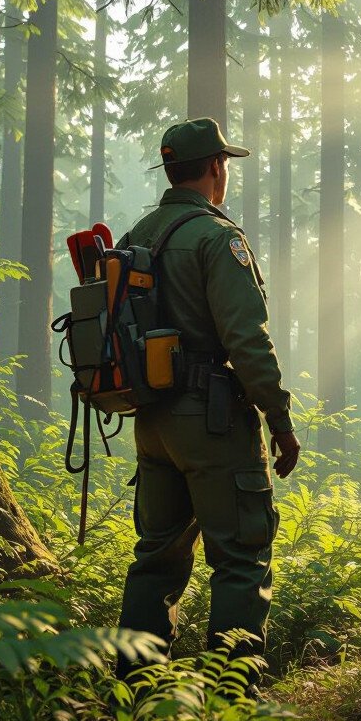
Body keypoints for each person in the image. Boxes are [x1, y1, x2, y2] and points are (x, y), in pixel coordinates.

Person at [114, 116, 301, 687]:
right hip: (213, 420)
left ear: (171, 169)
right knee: (240, 556)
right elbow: (246, 339)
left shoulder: (136, 236)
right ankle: (232, 701)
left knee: (156, 558)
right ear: (217, 168)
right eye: (225, 164)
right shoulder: (218, 238)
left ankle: (137, 695)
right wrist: (279, 417)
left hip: (151, 421)